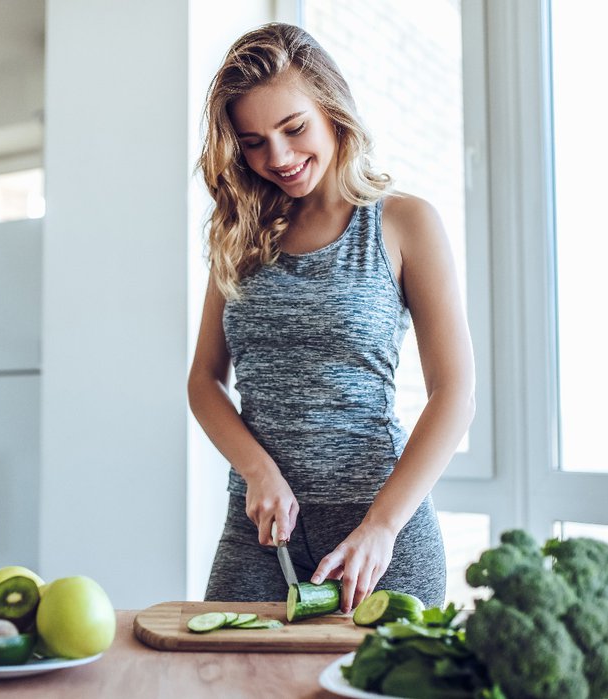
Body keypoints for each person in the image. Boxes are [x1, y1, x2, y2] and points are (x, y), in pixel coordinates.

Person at [187, 22, 475, 612]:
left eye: (294, 129)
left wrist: (383, 526)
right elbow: (204, 381)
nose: (280, 157)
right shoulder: (236, 235)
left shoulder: (403, 223)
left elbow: (456, 392)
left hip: (378, 530)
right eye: (254, 141)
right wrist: (257, 471)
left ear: (332, 110)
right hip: (259, 533)